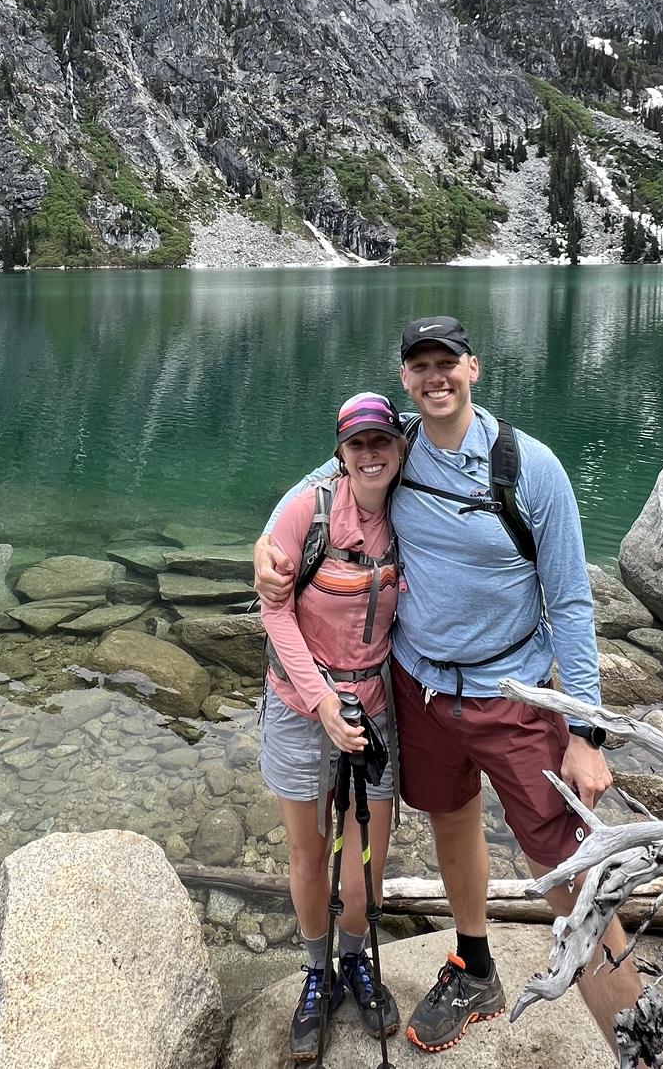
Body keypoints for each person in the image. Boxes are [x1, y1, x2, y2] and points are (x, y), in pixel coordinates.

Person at [255, 317, 644, 1060]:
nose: (435, 378)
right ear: (405, 379)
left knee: (565, 862)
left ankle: (636, 1040)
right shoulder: (396, 444)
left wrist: (589, 735)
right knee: (452, 822)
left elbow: (570, 602)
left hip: (513, 694)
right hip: (418, 689)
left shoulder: (530, 468)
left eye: (447, 364)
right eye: (420, 366)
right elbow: (334, 471)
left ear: (474, 368)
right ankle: (474, 963)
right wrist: (265, 552)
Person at [258, 390, 406, 1063]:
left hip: (373, 711)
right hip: (299, 710)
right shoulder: (306, 510)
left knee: (366, 866)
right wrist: (320, 700)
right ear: (340, 455)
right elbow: (275, 611)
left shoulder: (412, 512)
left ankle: (355, 961)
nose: (370, 454)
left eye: (382, 441)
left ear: (399, 446)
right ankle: (317, 973)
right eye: (357, 445)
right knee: (309, 854)